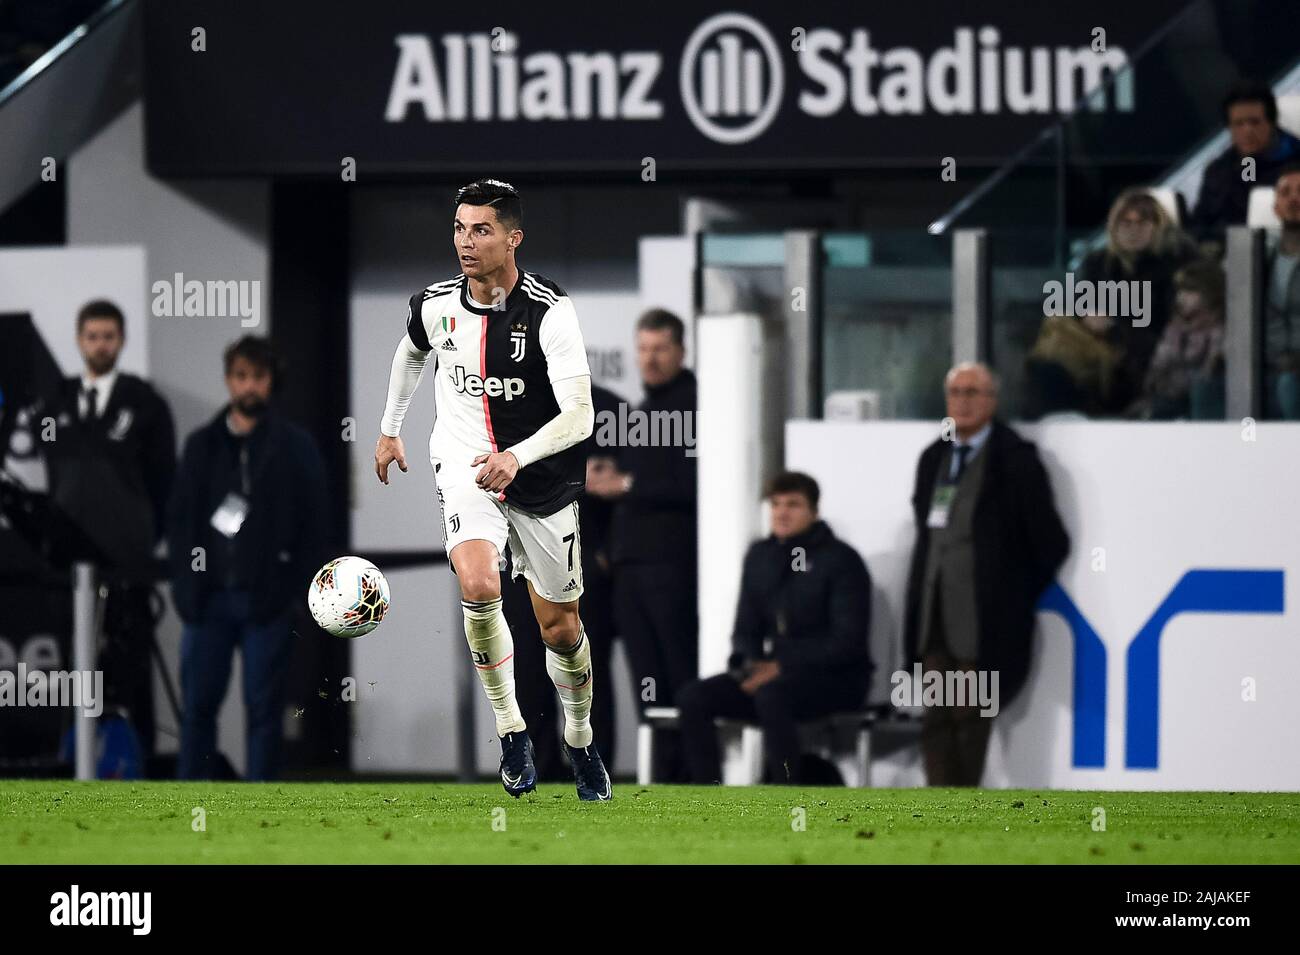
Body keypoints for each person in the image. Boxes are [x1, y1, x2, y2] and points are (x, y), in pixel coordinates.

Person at [375, 179, 611, 801]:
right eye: (458, 228)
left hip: (540, 476)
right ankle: (512, 732)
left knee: (560, 628)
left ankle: (580, 739)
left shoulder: (549, 311)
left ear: (514, 238)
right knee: (480, 585)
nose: (466, 242)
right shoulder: (434, 305)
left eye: (481, 230)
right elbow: (410, 354)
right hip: (463, 465)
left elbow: (580, 416)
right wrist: (389, 430)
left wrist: (517, 454)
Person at [169, 336, 329, 781]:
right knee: (198, 710)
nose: (250, 387)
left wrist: (294, 593)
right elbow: (180, 524)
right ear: (228, 381)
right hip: (208, 600)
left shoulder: (295, 446)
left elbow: (315, 525)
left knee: (264, 711)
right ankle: (189, 803)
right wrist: (187, 592)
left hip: (268, 602)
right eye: (241, 377)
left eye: (258, 377)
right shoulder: (201, 445)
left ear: (271, 381)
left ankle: (261, 808)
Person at [904, 362, 1069, 787]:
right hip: (934, 612)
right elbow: (927, 536)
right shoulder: (933, 458)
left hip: (986, 620)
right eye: (956, 392)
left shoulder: (1016, 462)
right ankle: (940, 809)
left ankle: (964, 811)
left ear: (993, 401)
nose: (963, 401)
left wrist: (1011, 596)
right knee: (936, 715)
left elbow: (1051, 543)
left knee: (970, 714)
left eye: (973, 392)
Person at [42, 300, 176, 757]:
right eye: (92, 336)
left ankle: (138, 765)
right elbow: (52, 473)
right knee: (73, 667)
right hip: (69, 562)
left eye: (109, 336)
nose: (101, 345)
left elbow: (164, 482)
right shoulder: (54, 401)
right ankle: (72, 761)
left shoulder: (145, 404)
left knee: (131, 667)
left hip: (126, 561)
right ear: (80, 341)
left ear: (121, 341)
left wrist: (139, 542)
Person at [677, 471, 872, 785]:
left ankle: (784, 794)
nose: (782, 512)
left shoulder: (842, 561)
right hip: (773, 675)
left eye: (793, 504)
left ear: (814, 511)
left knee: (772, 696)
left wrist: (782, 666)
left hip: (838, 679)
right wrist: (747, 664)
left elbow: (847, 642)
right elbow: (746, 628)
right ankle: (706, 795)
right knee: (694, 697)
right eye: (776, 504)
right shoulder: (760, 557)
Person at [588, 310, 698, 762]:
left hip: (671, 568)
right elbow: (638, 475)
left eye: (660, 349)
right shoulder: (642, 410)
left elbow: (697, 485)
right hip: (630, 571)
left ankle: (696, 776)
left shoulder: (695, 405)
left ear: (681, 351)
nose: (649, 359)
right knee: (646, 684)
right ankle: (663, 778)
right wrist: (608, 475)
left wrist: (626, 484)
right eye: (643, 349)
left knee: (680, 679)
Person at [506, 381, 622, 779]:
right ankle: (535, 761)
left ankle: (593, 758)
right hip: (524, 552)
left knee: (585, 658)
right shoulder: (508, 398)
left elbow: (628, 488)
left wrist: (611, 552)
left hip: (586, 557)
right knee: (529, 664)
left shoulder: (607, 408)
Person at [1072, 189, 1199, 413]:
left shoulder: (1180, 261)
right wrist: (1087, 316)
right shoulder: (1098, 262)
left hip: (1157, 351)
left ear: (1158, 226)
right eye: (1125, 222)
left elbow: (1176, 321)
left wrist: (1117, 327)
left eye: (1142, 222)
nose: (1132, 230)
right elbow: (1079, 307)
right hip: (1101, 347)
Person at [1190, 80, 1300, 235]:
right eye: (1239, 124)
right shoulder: (1217, 171)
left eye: (1254, 122)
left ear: (1271, 122)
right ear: (1229, 127)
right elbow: (1199, 227)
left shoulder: (1295, 161)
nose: (1247, 131)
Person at [1134, 261, 1226, 420]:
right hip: (1168, 396)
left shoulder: (1221, 328)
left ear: (1210, 293)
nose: (1181, 297)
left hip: (1199, 400)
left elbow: (1209, 372)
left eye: (1190, 291)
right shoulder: (1176, 326)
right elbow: (1158, 366)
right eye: (1180, 291)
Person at [1265, 162, 1300, 419]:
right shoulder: (1257, 256)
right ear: (1275, 206)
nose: (1294, 199)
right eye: (1285, 192)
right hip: (1265, 364)